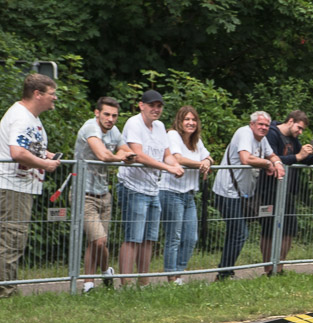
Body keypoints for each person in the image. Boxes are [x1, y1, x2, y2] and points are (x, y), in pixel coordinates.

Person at [0, 74, 61, 299]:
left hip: (20, 187)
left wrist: (47, 154)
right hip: (12, 186)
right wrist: (46, 163)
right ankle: (6, 292)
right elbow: (17, 152)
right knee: (12, 239)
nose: (55, 98)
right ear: (37, 94)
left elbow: (26, 146)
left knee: (13, 238)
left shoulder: (30, 118)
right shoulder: (21, 117)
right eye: (51, 93)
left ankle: (7, 288)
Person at [119, 90, 184, 287]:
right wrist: (168, 168)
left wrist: (175, 165)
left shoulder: (160, 126)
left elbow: (167, 154)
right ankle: (125, 284)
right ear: (142, 105)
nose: (155, 109)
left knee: (149, 238)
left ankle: (144, 283)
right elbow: (137, 155)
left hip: (152, 188)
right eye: (152, 105)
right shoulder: (133, 123)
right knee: (133, 237)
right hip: (133, 186)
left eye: (159, 106)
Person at [73, 96, 135, 293]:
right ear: (97, 112)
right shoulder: (91, 128)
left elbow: (126, 149)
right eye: (106, 114)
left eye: (114, 116)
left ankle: (92, 281)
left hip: (103, 194)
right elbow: (103, 155)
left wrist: (126, 154)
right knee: (99, 240)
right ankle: (100, 273)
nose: (110, 119)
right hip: (84, 193)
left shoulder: (113, 130)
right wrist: (120, 157)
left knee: (97, 242)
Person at [211, 111, 283, 278]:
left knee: (235, 232)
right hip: (228, 192)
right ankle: (224, 272)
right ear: (252, 125)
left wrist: (277, 163)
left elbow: (271, 154)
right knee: (239, 233)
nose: (264, 128)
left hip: (242, 194)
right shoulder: (244, 133)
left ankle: (225, 271)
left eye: (266, 125)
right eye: (260, 124)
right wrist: (267, 164)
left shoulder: (261, 139)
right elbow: (245, 158)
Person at [261, 110, 313, 272]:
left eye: (302, 130)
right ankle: (269, 268)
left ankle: (280, 266)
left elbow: (302, 159)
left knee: (290, 228)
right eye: (299, 128)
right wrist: (298, 156)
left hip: (288, 191)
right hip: (269, 189)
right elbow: (271, 158)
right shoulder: (271, 134)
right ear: (290, 121)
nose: (300, 132)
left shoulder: (293, 138)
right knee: (269, 230)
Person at [158, 105, 211, 283]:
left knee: (191, 237)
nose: (190, 123)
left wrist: (206, 161)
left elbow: (208, 157)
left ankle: (179, 273)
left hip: (188, 194)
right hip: (171, 191)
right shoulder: (172, 135)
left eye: (193, 119)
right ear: (180, 121)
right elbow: (177, 158)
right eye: (187, 119)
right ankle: (172, 277)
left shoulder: (196, 140)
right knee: (174, 237)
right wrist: (200, 165)